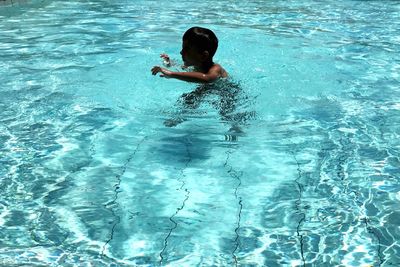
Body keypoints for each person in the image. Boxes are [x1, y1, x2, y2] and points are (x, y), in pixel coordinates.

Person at [151, 26, 228, 83]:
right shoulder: (194, 65)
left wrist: (171, 74)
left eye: (186, 49)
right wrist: (168, 63)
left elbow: (207, 79)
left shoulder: (216, 69)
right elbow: (180, 68)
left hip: (224, 91)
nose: (181, 52)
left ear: (203, 56)